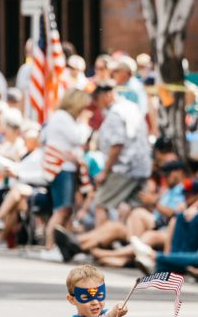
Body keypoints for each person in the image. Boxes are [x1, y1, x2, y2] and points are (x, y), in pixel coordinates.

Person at [39, 89, 92, 261]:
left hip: (68, 167)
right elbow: (78, 138)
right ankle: (49, 246)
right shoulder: (62, 117)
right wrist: (85, 123)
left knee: (67, 210)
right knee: (61, 209)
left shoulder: (64, 118)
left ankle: (66, 246)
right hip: (62, 168)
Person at [93, 82, 152, 225]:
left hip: (125, 168)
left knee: (100, 204)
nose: (97, 104)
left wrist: (104, 172)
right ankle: (130, 242)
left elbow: (117, 145)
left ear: (107, 95)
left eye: (98, 99)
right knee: (135, 208)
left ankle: (100, 242)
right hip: (142, 166)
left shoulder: (116, 113)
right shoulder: (131, 107)